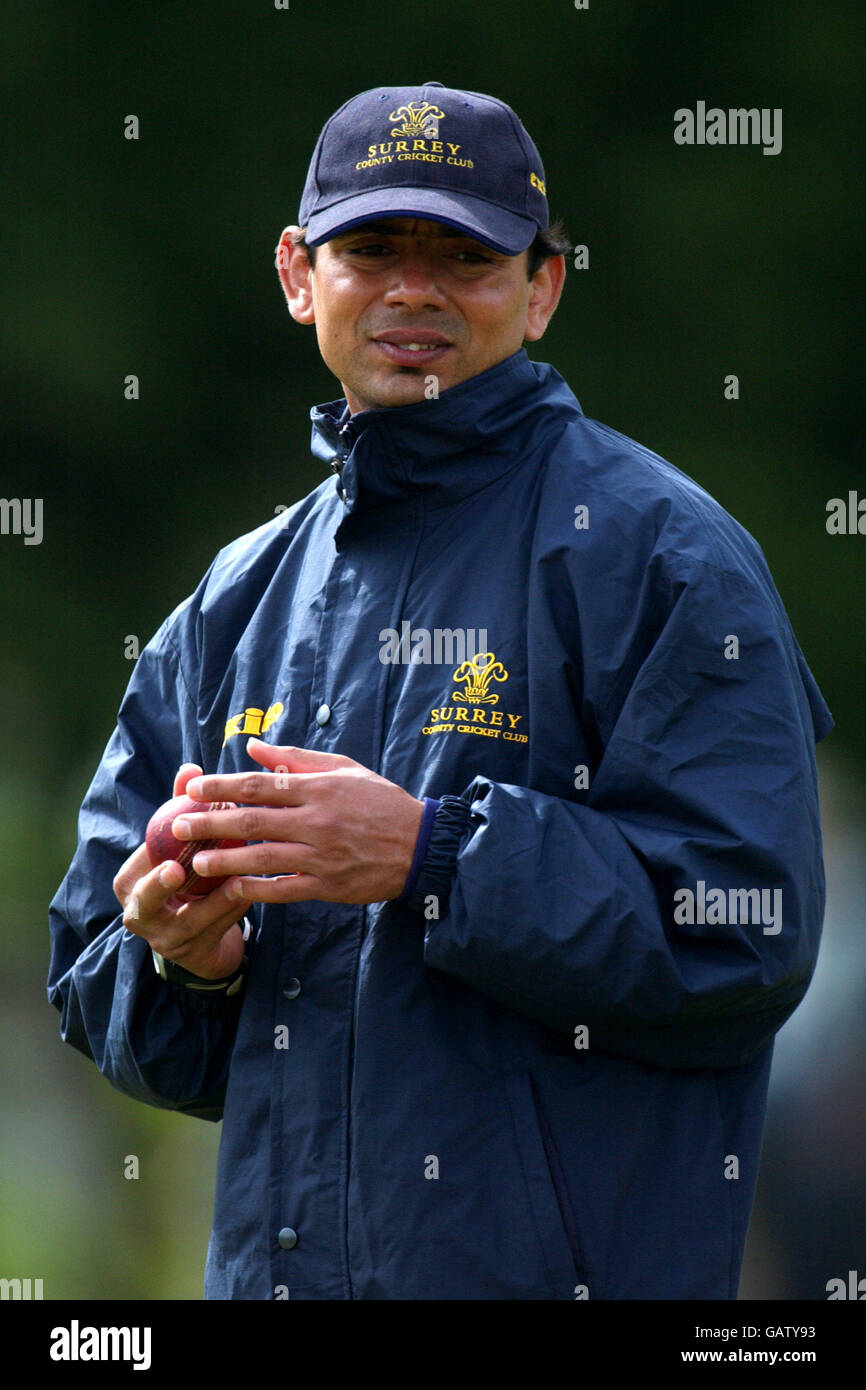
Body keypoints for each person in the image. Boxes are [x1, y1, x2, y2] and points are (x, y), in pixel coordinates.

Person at [48, 81, 833, 1301]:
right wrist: (184, 958)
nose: (412, 289)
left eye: (462, 255)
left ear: (540, 289)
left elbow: (748, 930)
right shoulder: (235, 598)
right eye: (372, 248)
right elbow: (100, 984)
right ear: (299, 274)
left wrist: (433, 859)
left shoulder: (664, 555)